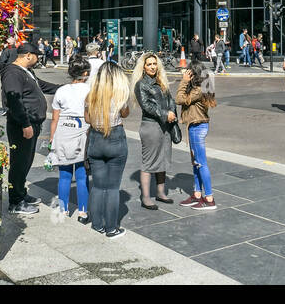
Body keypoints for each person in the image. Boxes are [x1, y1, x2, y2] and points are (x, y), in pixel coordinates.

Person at [0, 42, 60, 216]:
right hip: (21, 126)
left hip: (32, 124)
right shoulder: (12, 73)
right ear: (28, 56)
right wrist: (25, 124)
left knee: (26, 161)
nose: (38, 60)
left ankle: (21, 194)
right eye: (36, 57)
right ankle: (15, 202)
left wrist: (66, 88)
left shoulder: (26, 72)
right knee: (19, 163)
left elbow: (43, 86)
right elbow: (15, 100)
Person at [84, 61, 132, 238]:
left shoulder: (91, 95)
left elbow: (88, 119)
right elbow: (125, 114)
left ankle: (97, 224)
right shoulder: (121, 94)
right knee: (112, 187)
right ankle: (111, 228)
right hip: (115, 138)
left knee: (97, 186)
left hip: (96, 140)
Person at [48, 57, 91, 220]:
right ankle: (83, 212)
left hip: (62, 131)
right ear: (85, 73)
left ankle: (63, 210)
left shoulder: (61, 90)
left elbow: (54, 118)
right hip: (82, 131)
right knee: (82, 175)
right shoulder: (89, 90)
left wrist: (52, 138)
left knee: (64, 175)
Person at [132, 52, 176, 209]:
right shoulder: (141, 84)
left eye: (154, 63)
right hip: (151, 125)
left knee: (163, 158)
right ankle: (145, 197)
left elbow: (171, 100)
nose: (152, 66)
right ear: (143, 67)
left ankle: (160, 192)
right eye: (149, 64)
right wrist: (166, 114)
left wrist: (171, 112)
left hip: (165, 125)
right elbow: (148, 107)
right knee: (149, 161)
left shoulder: (161, 81)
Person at [177, 60, 217, 209]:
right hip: (197, 126)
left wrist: (183, 82)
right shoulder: (202, 87)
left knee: (201, 163)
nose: (186, 73)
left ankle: (209, 198)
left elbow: (180, 99)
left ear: (193, 74)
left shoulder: (198, 90)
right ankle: (197, 194)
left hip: (197, 127)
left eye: (188, 72)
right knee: (196, 163)